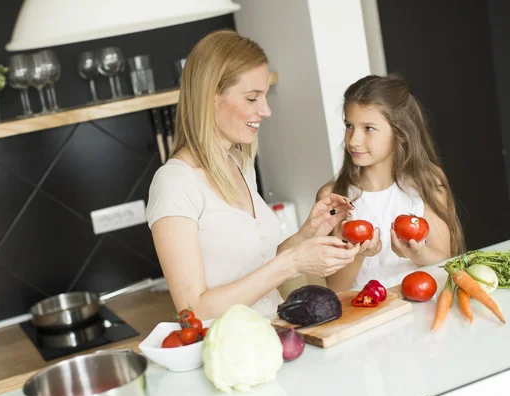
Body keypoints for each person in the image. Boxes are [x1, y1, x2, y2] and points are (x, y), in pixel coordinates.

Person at [145, 30, 360, 320]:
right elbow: (192, 310)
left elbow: (256, 267)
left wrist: (306, 234)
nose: (266, 110)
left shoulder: (239, 164)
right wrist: (294, 262)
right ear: (210, 97)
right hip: (232, 350)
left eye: (264, 96)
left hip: (276, 331)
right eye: (251, 98)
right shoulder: (174, 183)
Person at [317, 75, 465, 292]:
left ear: (400, 132)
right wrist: (358, 255)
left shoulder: (427, 184)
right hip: (367, 315)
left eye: (368, 128)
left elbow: (448, 262)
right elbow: (336, 287)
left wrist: (417, 253)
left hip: (423, 309)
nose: (353, 140)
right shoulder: (333, 196)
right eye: (349, 126)